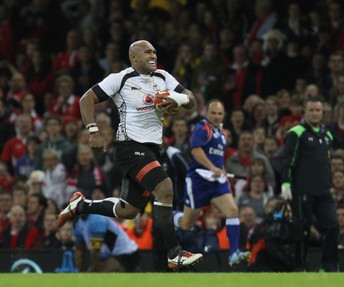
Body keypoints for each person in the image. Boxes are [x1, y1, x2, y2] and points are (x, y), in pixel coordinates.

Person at [58, 40, 203, 269]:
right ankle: (175, 253)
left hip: (151, 149)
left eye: (155, 51)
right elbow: (86, 98)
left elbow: (192, 100)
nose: (153, 55)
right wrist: (93, 131)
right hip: (129, 147)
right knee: (164, 188)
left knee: (128, 210)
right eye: (147, 52)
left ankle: (81, 205)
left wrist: (179, 99)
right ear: (133, 58)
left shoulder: (163, 77)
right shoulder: (121, 78)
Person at [173, 99, 251, 267]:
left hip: (216, 182)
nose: (216, 116)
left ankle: (233, 254)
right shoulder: (201, 128)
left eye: (220, 113)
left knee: (232, 210)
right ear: (206, 113)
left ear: (224, 115)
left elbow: (217, 158)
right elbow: (196, 151)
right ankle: (173, 216)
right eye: (213, 113)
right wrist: (212, 167)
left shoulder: (222, 135)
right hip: (198, 181)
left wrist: (221, 169)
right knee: (187, 223)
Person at [281, 96, 339, 272]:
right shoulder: (296, 132)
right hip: (302, 191)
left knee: (333, 226)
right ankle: (300, 267)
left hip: (323, 192)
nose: (315, 113)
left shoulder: (327, 135)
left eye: (318, 110)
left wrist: (329, 185)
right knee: (301, 230)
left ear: (323, 113)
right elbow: (288, 160)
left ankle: (328, 266)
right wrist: (286, 183)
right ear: (304, 112)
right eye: (311, 110)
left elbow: (326, 163)